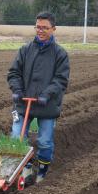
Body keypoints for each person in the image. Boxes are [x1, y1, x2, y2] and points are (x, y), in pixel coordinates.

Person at [7, 12, 70, 183]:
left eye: (45, 28)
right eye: (38, 27)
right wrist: (17, 90)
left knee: (44, 141)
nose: (40, 30)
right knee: (17, 137)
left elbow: (61, 80)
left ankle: (42, 173)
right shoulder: (25, 50)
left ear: (53, 29)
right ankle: (26, 169)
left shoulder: (60, 54)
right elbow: (14, 73)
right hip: (22, 104)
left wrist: (45, 94)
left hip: (47, 105)